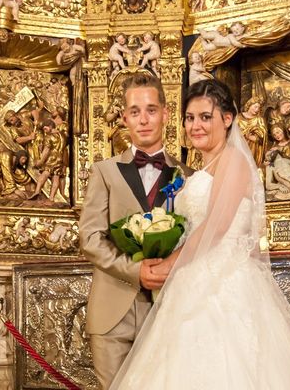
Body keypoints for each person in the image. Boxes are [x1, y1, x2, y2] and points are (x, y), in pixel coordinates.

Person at [109, 79, 290, 389]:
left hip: (225, 284)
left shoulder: (234, 160)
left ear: (227, 119)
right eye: (190, 117)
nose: (195, 126)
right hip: (193, 277)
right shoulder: (199, 170)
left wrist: (168, 265)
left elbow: (216, 227)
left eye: (205, 117)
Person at [79, 73, 190, 389]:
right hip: (112, 314)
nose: (144, 120)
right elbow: (90, 237)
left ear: (166, 114)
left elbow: (197, 240)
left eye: (152, 110)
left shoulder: (189, 176)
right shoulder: (104, 172)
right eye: (135, 111)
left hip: (170, 311)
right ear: (124, 117)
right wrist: (134, 271)